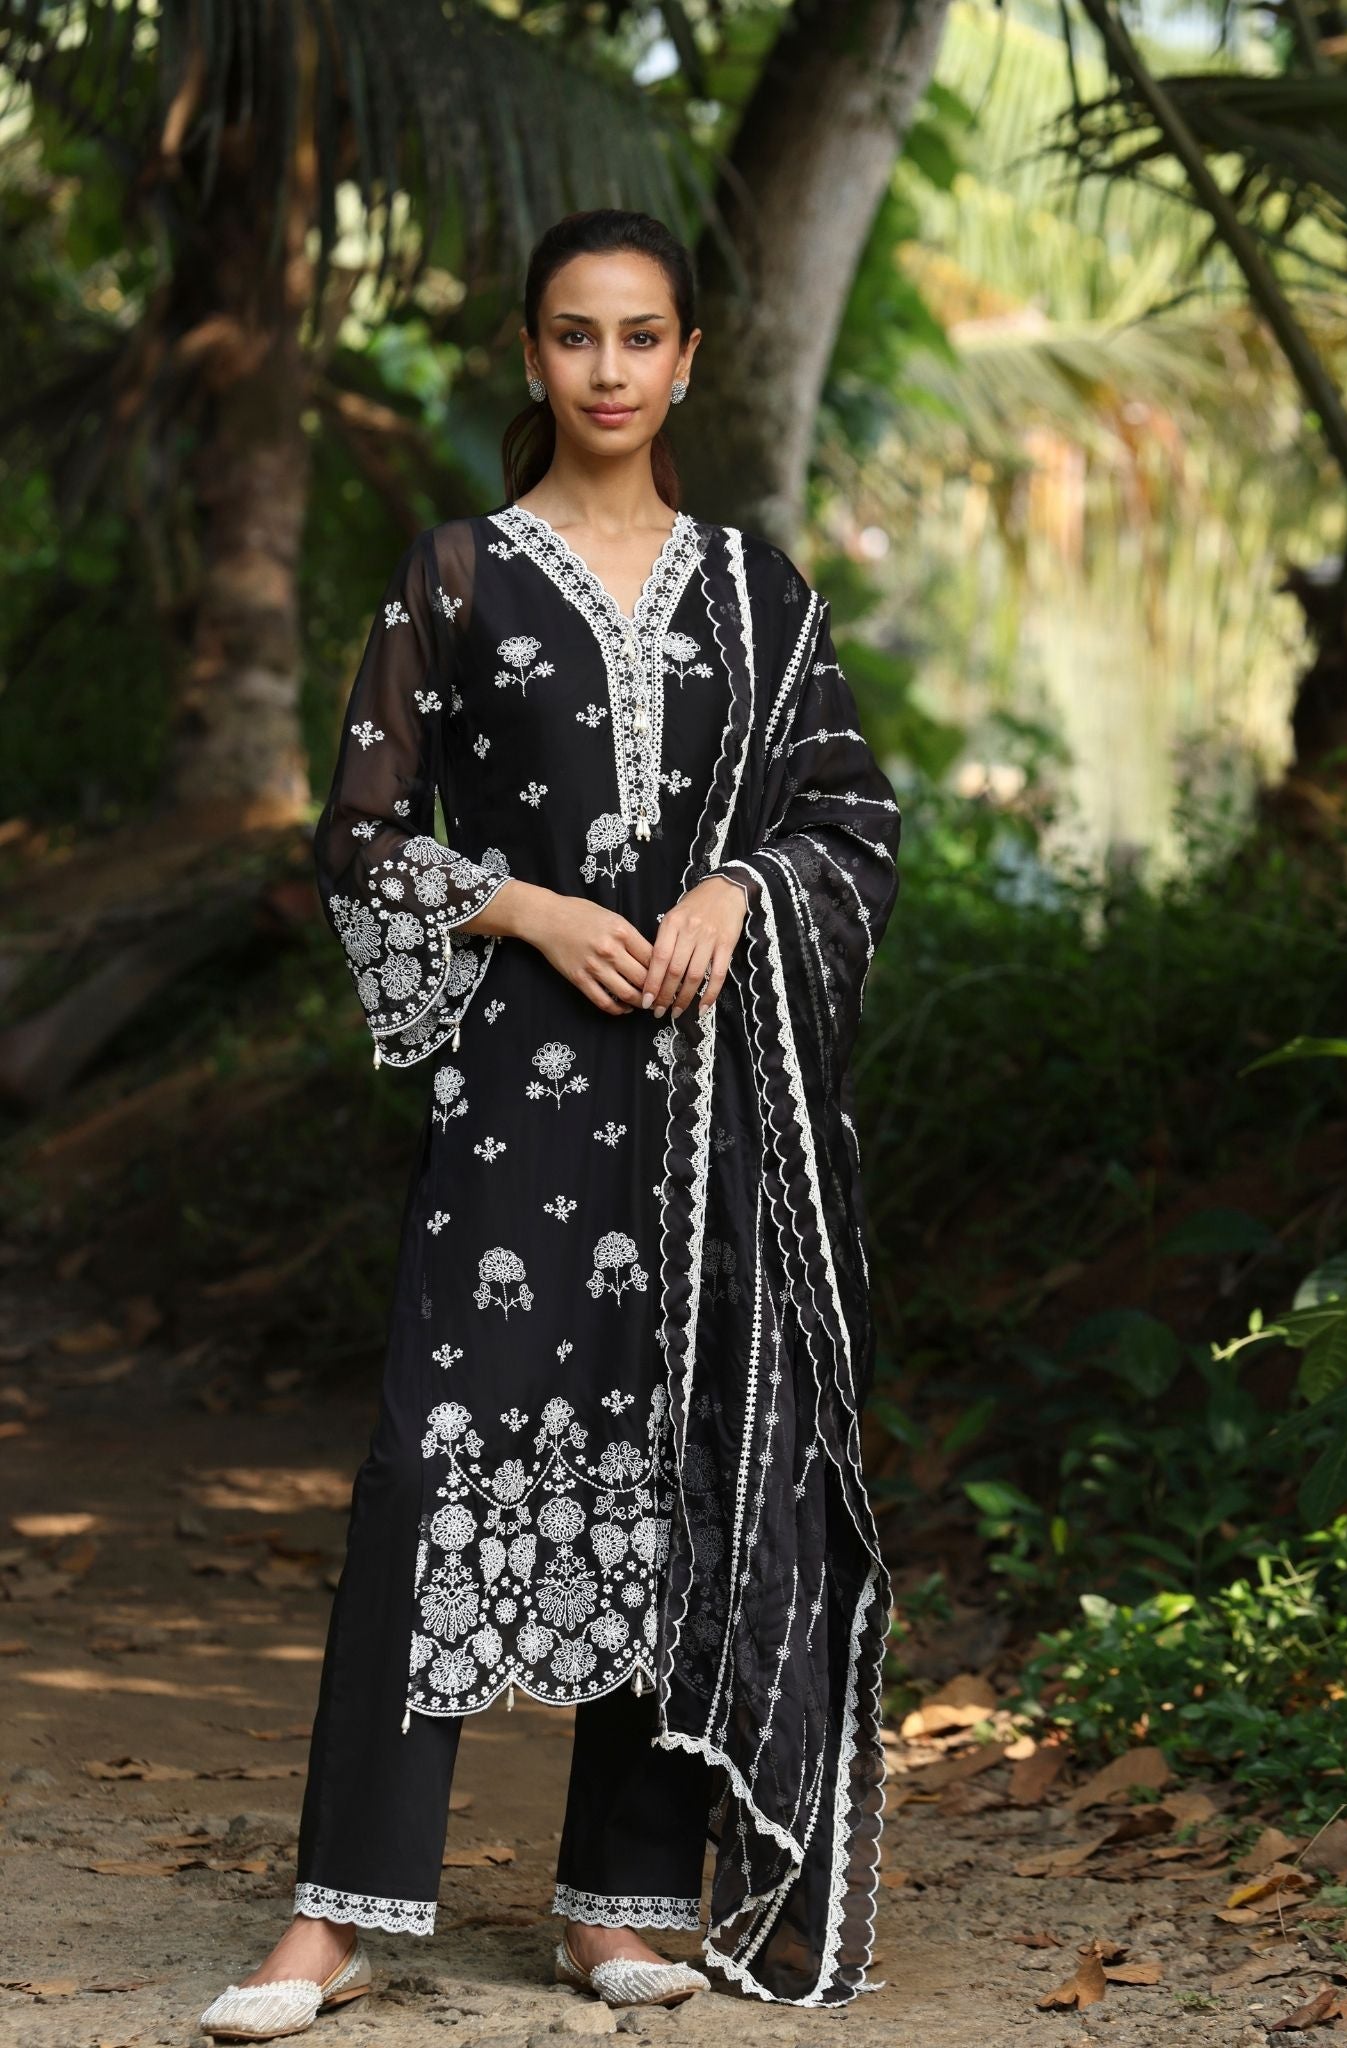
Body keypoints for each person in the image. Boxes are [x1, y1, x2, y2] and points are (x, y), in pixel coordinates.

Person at [199, 207, 901, 2042]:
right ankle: (337, 1914)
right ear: (533, 355)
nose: (608, 368)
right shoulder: (455, 575)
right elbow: (357, 838)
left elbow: (852, 817)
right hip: (518, 1095)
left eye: (640, 336)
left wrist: (741, 886)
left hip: (704, 1105)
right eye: (575, 336)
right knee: (431, 1459)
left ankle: (620, 1902)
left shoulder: (758, 594)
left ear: (686, 360)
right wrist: (521, 908)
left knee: (673, 1465)